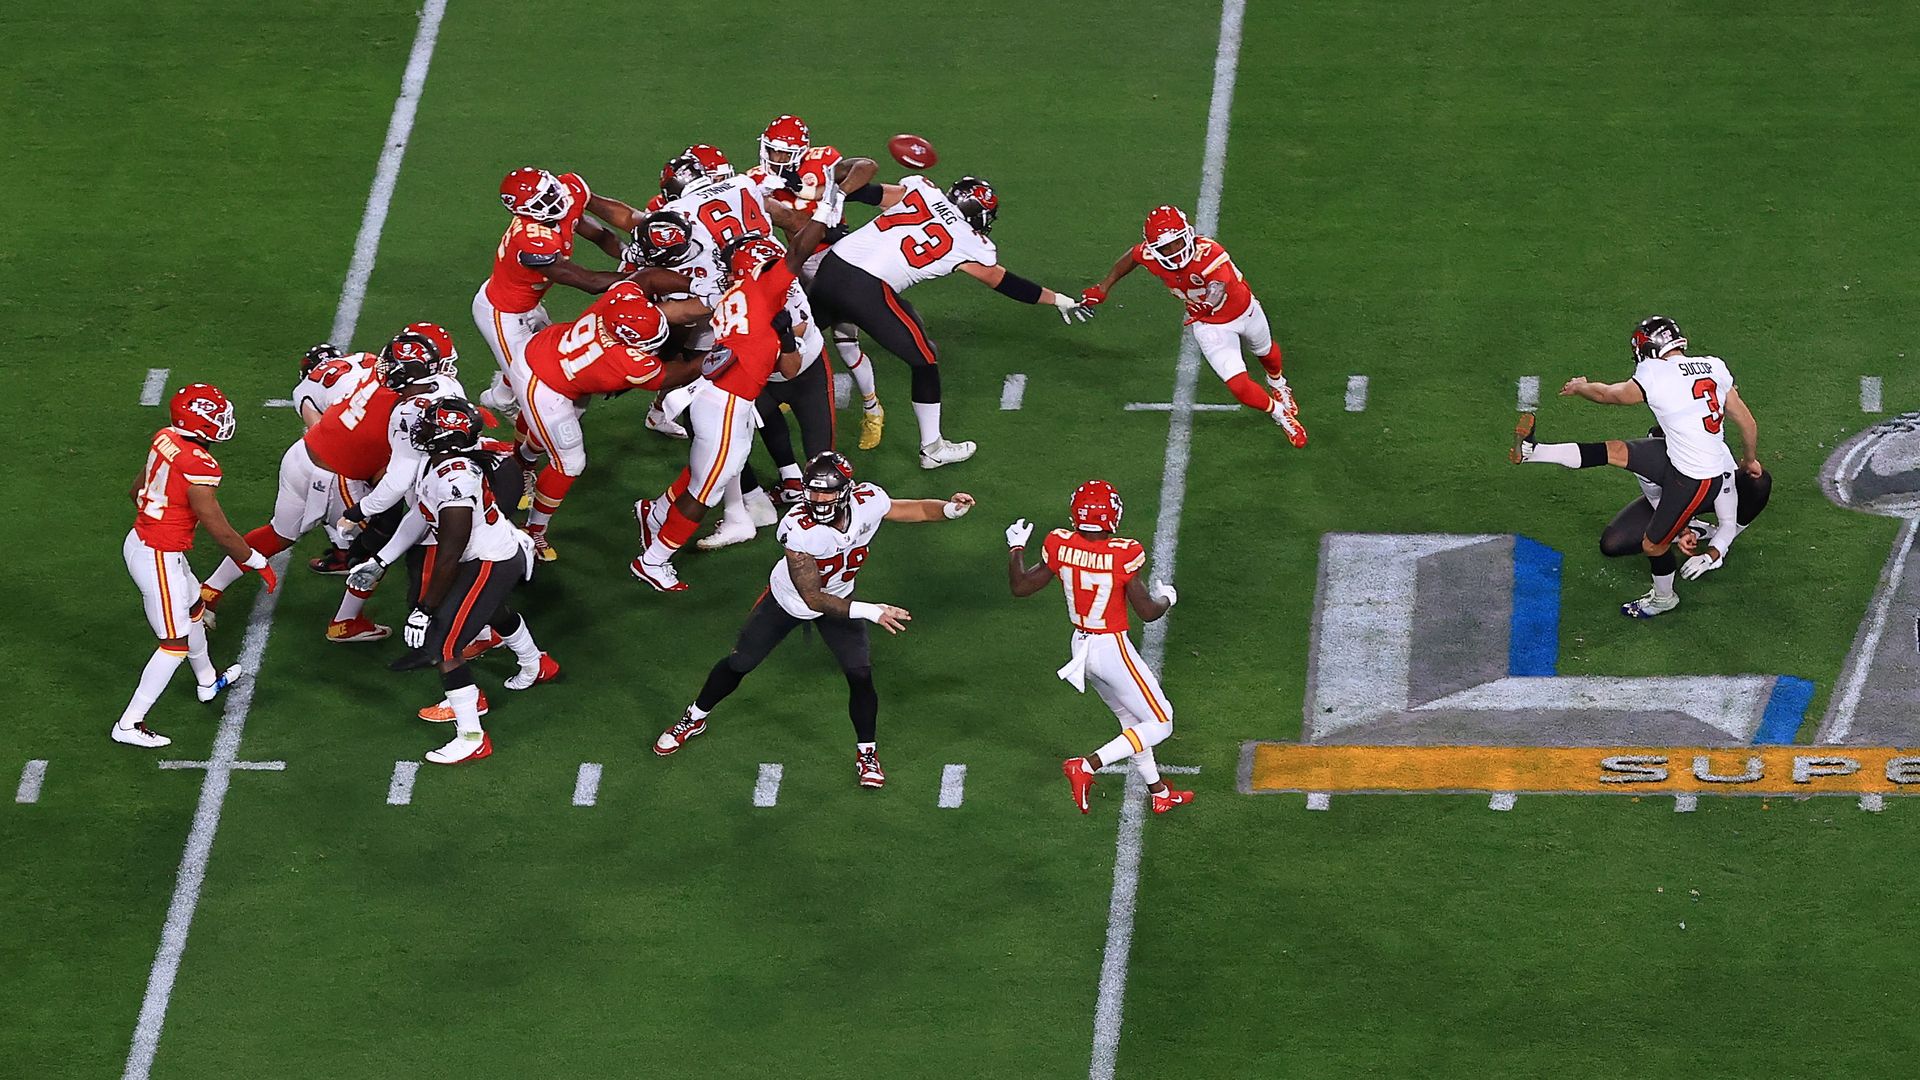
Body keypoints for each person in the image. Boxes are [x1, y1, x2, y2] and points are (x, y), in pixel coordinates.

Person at [653, 451, 974, 788]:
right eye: (814, 491)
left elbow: (914, 509)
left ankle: (867, 753)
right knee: (739, 663)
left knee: (860, 674)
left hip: (841, 597)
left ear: (847, 490)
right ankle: (694, 717)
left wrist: (949, 510)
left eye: (827, 492)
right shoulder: (797, 528)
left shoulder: (868, 500)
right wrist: (871, 610)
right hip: (788, 601)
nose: (819, 499)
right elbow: (812, 598)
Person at [810, 174, 1094, 467]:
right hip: (867, 289)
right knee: (924, 359)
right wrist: (1058, 299)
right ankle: (932, 449)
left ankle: (764, 393)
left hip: (833, 266)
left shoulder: (923, 190)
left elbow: (871, 193)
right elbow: (1005, 282)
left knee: (798, 340)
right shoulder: (971, 243)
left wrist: (828, 193)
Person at [629, 197, 837, 592]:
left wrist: (783, 339)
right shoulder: (761, 287)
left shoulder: (733, 297)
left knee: (720, 466)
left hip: (729, 399)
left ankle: (655, 512)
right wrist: (825, 210)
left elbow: (787, 368)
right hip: (724, 401)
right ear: (755, 268)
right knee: (706, 489)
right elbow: (798, 251)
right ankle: (653, 560)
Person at [346, 398, 555, 764]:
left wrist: (425, 610)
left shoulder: (455, 480)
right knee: (491, 610)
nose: (419, 429)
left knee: (442, 645)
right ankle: (536, 663)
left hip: (491, 560)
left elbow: (449, 552)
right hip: (493, 551)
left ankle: (472, 736)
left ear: (446, 436)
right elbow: (420, 514)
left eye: (428, 425)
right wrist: (381, 560)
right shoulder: (441, 463)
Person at [1512, 315, 1761, 617]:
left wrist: (1711, 554)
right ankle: (1533, 452)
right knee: (1615, 450)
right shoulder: (1714, 366)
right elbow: (1747, 422)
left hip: (1695, 479)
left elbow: (1609, 395)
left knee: (1653, 546)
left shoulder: (1655, 373)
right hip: (1678, 458)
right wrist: (1749, 460)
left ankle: (1664, 598)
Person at [1004, 480, 1193, 814]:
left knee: (1131, 719)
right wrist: (1169, 597)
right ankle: (1087, 765)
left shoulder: (1059, 544)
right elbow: (1148, 612)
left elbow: (1020, 587)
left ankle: (1159, 791)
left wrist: (1016, 548)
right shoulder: (1123, 553)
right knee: (1162, 723)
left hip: (1081, 645)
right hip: (1111, 648)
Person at [115, 384, 276, 748]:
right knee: (173, 645)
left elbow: (137, 488)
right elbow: (219, 529)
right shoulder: (200, 465)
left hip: (147, 543)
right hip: (158, 555)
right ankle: (129, 724)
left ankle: (207, 681)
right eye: (216, 417)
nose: (223, 421)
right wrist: (255, 560)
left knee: (194, 609)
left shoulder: (166, 437)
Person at [1081, 205, 1304, 445]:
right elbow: (1132, 256)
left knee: (1266, 353)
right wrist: (1103, 287)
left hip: (1243, 311)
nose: (1174, 250)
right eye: (1165, 247)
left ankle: (1278, 383)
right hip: (1209, 325)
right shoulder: (1150, 255)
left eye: (1177, 242)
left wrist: (1208, 303)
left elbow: (1218, 285)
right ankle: (1280, 414)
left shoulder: (1209, 252)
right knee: (1239, 386)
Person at [198, 344, 379, 632]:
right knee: (382, 545)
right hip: (335, 471)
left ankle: (209, 590)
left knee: (279, 532)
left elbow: (320, 431)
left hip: (299, 459)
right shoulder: (369, 363)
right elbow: (335, 443)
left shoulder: (306, 387)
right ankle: (346, 621)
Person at [473, 167, 645, 417]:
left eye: (551, 191)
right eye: (542, 201)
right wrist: (646, 277)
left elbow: (597, 230)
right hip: (504, 314)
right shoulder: (531, 240)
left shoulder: (569, 189)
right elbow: (588, 282)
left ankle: (499, 397)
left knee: (541, 361)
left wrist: (628, 252)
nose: (554, 200)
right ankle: (527, 432)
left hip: (529, 303)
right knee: (537, 385)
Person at [1590, 427, 1772, 578]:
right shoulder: (1646, 461)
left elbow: (1728, 521)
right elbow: (1656, 499)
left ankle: (1720, 538)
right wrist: (1682, 529)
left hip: (1711, 494)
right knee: (1612, 544)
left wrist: (1711, 555)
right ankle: (1695, 529)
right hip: (1672, 501)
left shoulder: (1713, 458)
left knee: (1758, 482)